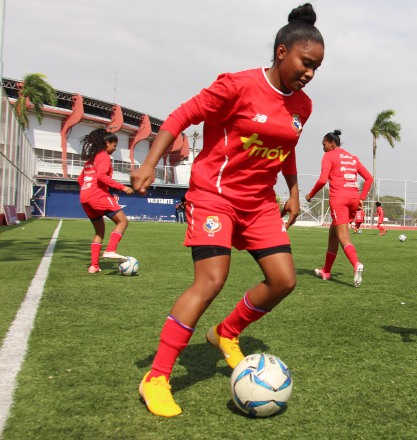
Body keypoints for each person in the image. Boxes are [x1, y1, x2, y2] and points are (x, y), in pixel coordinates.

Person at [129, 3, 325, 418]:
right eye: (305, 63)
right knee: (211, 281)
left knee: (283, 280)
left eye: (316, 68)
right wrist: (149, 162)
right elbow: (181, 116)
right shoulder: (236, 85)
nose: (309, 73)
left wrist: (292, 189)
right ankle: (157, 377)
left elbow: (285, 148)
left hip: (259, 205)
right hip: (215, 196)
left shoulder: (302, 107)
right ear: (281, 52)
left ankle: (225, 332)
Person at [306, 130, 372, 286]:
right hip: (353, 198)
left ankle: (356, 264)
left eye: (324, 145)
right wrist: (362, 197)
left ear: (331, 143)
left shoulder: (329, 156)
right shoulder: (352, 158)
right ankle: (326, 271)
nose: (323, 148)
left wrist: (310, 195)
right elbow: (369, 178)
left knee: (343, 236)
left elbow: (323, 180)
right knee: (333, 233)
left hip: (339, 199)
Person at [77, 128, 134, 273]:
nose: (115, 149)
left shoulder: (91, 159)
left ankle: (94, 266)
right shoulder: (103, 156)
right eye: (114, 145)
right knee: (122, 221)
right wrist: (123, 187)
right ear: (107, 143)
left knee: (99, 232)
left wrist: (87, 190)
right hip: (98, 195)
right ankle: (110, 250)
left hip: (85, 197)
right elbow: (101, 176)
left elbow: (80, 179)